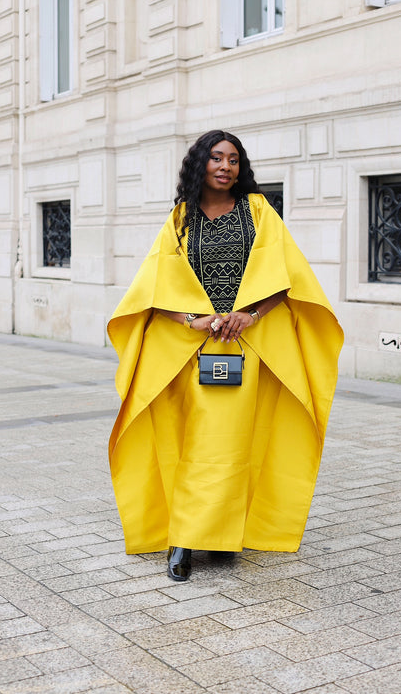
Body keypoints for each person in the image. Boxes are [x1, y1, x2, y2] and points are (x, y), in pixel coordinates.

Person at [108, 130, 343, 581]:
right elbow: (152, 289)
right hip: (189, 351)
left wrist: (250, 314)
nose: (225, 167)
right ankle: (182, 540)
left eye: (233, 160)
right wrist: (191, 319)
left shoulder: (258, 212)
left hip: (245, 349)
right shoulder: (180, 218)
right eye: (216, 158)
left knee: (236, 444)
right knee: (190, 445)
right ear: (200, 163)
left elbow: (286, 279)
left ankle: (221, 536)